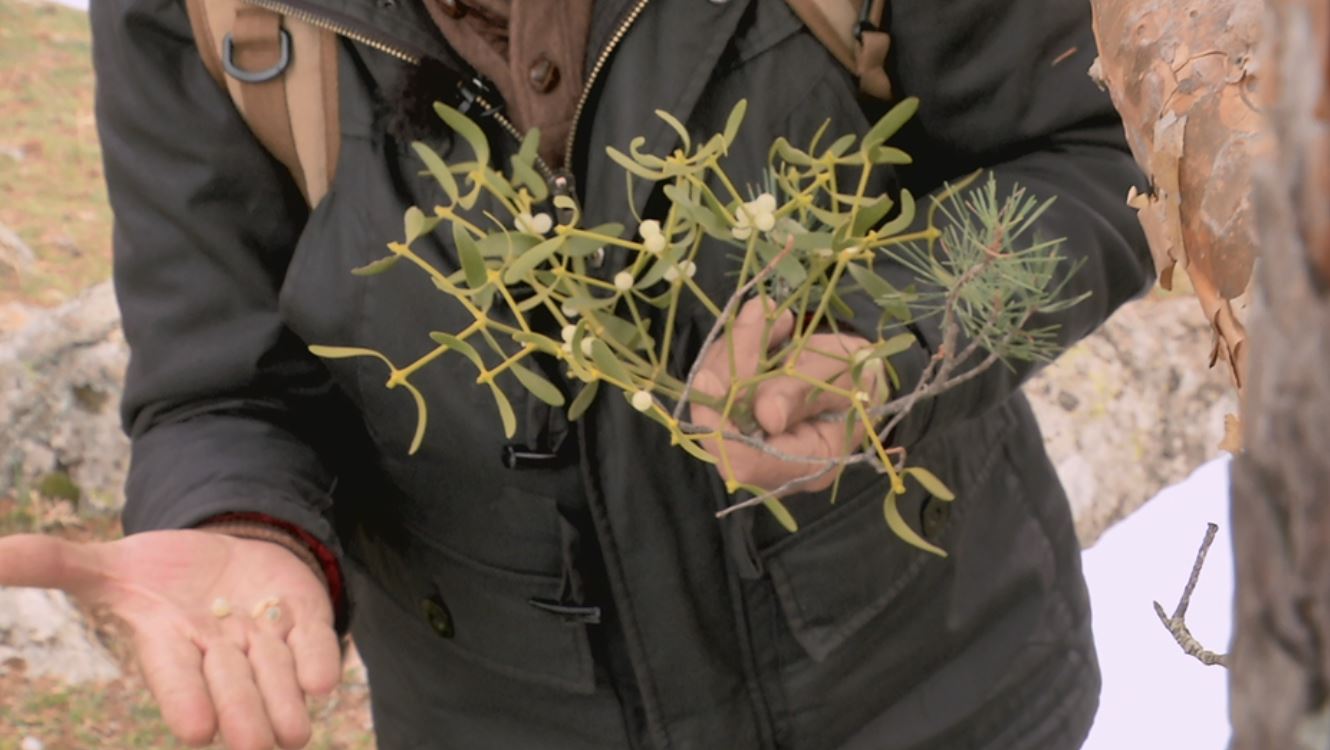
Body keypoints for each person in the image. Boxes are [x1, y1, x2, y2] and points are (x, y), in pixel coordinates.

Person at [0, 0, 1153, 748]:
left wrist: (885, 336)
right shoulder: (203, 17)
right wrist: (240, 519)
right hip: (489, 713)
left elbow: (1105, 155)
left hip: (935, 692)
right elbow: (222, 383)